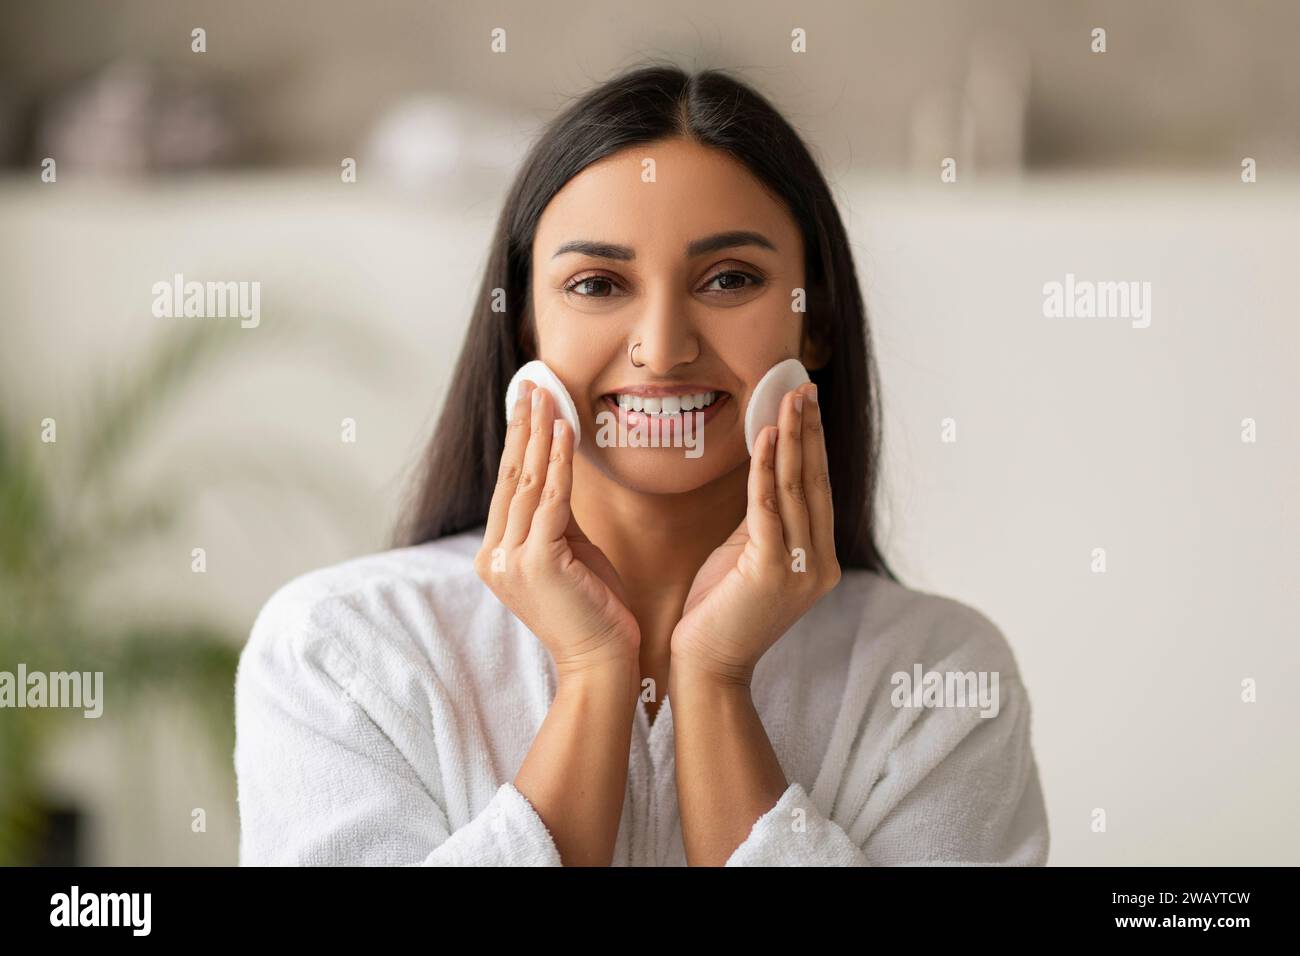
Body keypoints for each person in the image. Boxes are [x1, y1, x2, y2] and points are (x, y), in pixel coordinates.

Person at [234, 63, 1049, 866]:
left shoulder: (940, 679)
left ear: (816, 324)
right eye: (596, 284)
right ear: (525, 329)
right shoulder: (340, 652)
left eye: (729, 279)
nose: (662, 348)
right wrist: (593, 677)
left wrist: (714, 679)